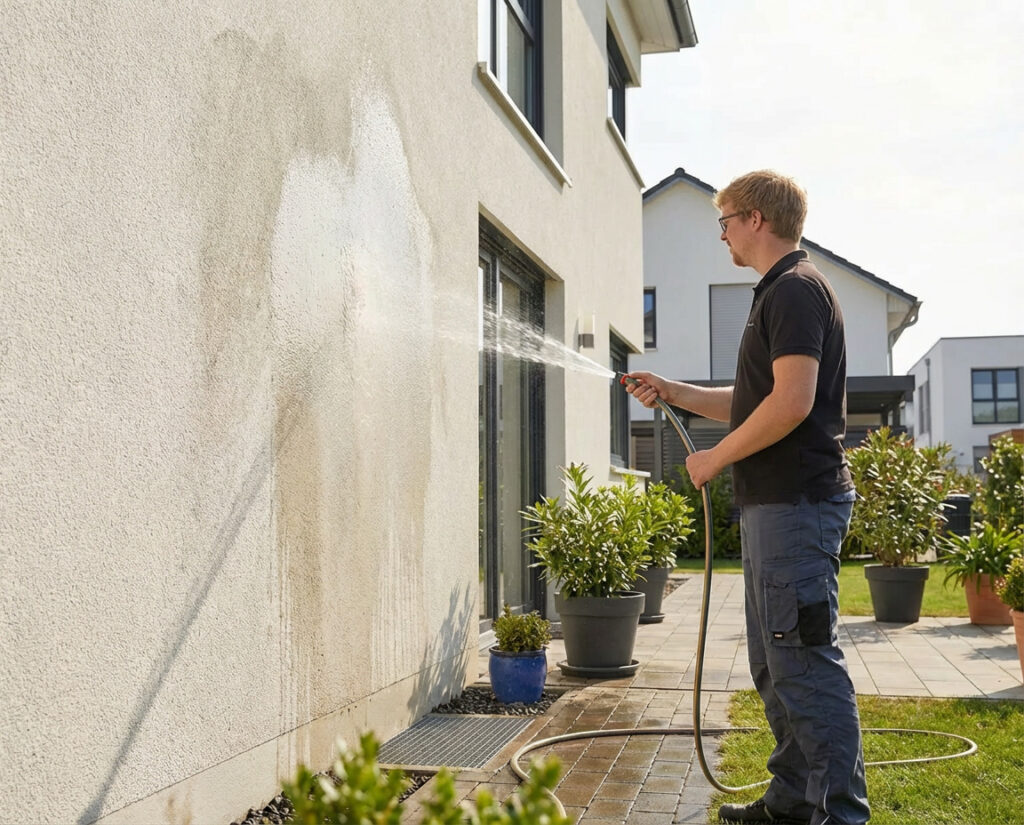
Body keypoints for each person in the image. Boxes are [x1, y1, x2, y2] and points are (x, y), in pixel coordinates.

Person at [626, 170, 869, 825]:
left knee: (804, 661)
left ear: (756, 219)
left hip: (797, 506)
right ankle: (793, 800)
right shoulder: (777, 292)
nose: (722, 234)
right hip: (777, 508)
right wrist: (674, 390)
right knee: (775, 663)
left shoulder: (795, 289)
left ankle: (840, 814)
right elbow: (756, 399)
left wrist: (714, 458)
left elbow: (792, 404)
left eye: (726, 220)